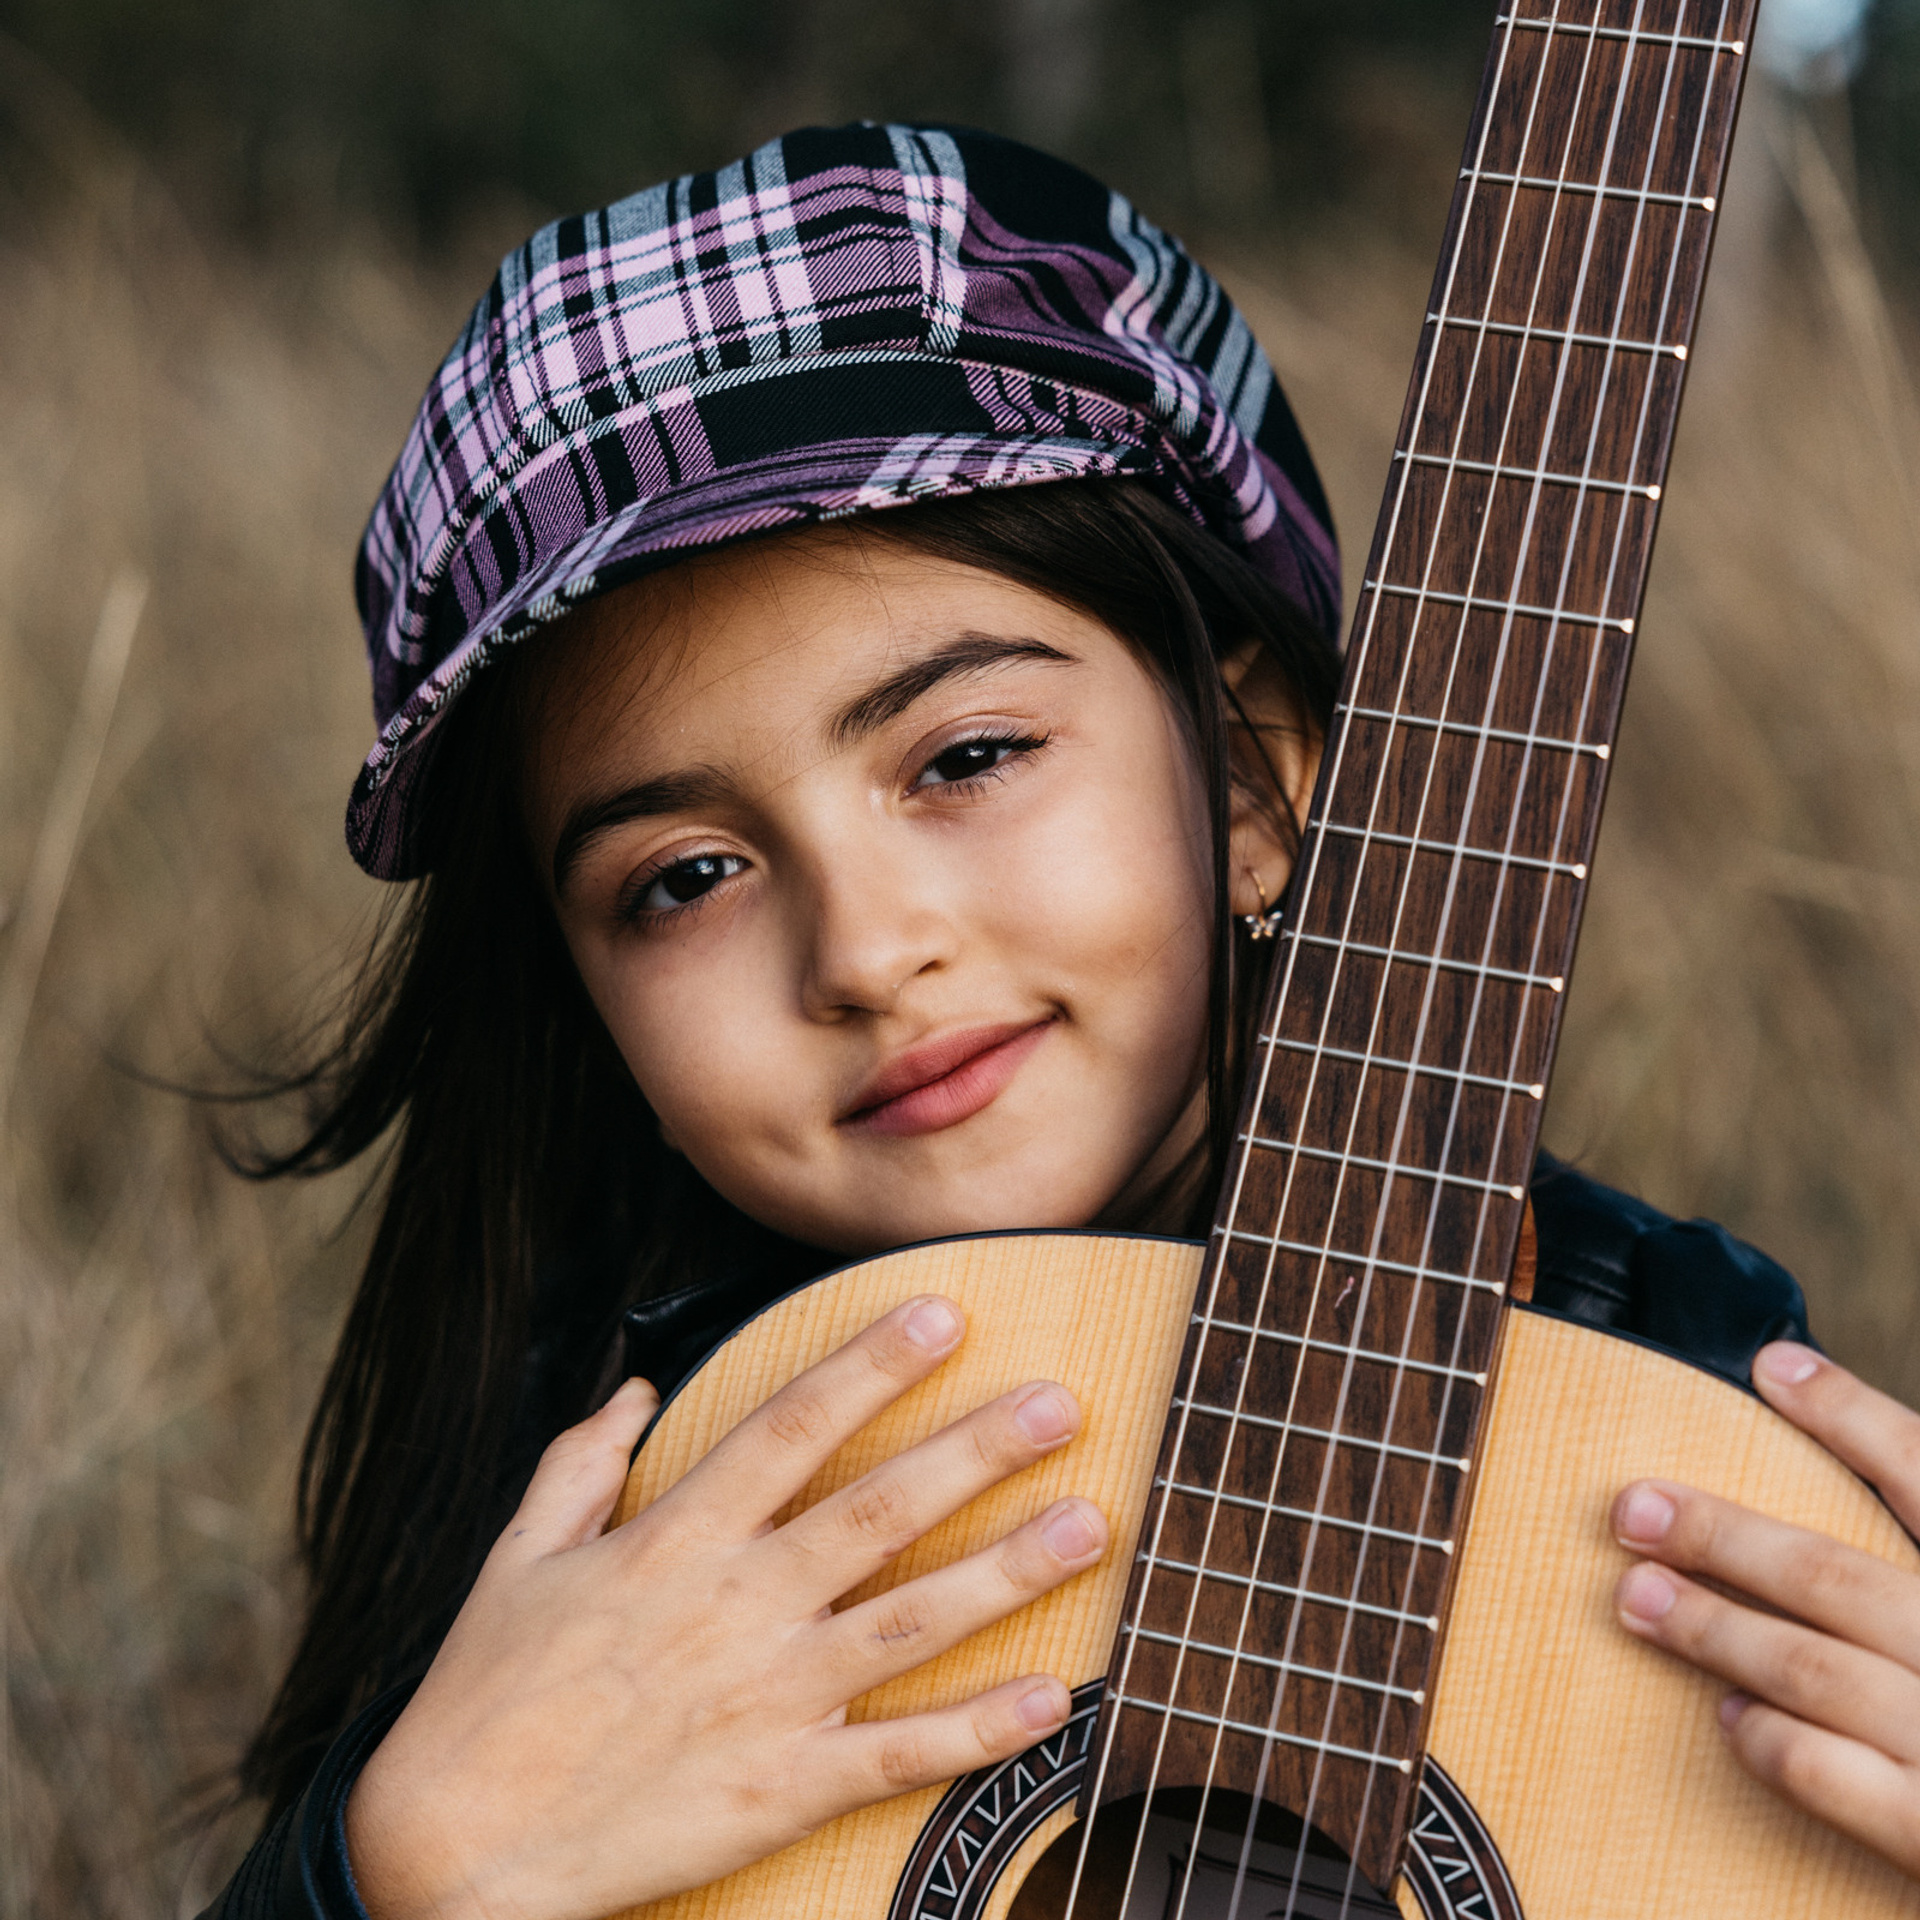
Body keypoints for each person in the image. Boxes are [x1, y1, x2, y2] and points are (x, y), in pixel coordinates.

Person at [198, 124, 1920, 1920]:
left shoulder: (1680, 1396)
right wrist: (396, 1873)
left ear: (1249, 776)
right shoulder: (615, 1492)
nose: (866, 951)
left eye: (967, 756)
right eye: (684, 878)